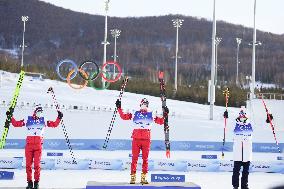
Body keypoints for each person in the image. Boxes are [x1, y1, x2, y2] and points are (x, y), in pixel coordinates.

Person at [7, 105, 63, 189]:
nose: (40, 113)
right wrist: (10, 116)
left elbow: (54, 124)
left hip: (38, 146)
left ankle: (36, 183)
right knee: (28, 165)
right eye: (39, 111)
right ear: (35, 111)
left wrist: (59, 117)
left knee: (37, 165)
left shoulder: (43, 120)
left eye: (41, 112)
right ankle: (29, 183)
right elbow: (16, 124)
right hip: (29, 146)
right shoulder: (27, 119)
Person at [116, 98, 169, 184]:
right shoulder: (134, 112)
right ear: (140, 104)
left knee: (145, 159)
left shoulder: (151, 113)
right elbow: (124, 117)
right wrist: (119, 108)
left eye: (146, 104)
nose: (145, 105)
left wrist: (165, 114)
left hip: (146, 140)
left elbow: (161, 122)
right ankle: (133, 177)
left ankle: (143, 178)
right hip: (136, 139)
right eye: (143, 103)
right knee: (134, 159)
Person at [231, 108, 253, 189]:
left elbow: (251, 135)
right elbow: (231, 132)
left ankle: (244, 186)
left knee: (246, 171)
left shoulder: (250, 124)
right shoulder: (234, 123)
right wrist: (225, 116)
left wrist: (269, 119)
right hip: (238, 152)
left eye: (244, 116)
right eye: (241, 116)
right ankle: (235, 186)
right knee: (236, 171)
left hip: (247, 152)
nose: (242, 118)